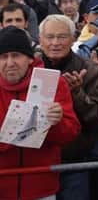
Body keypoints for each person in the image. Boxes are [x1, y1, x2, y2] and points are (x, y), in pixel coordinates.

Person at [0, 26, 81, 199]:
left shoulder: (52, 82)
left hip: (41, 188)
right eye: (3, 57)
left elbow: (71, 133)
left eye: (16, 55)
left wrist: (56, 122)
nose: (9, 63)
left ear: (30, 58)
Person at [39, 14, 98, 200]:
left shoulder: (90, 71)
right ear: (40, 40)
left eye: (62, 37)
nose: (55, 43)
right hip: (37, 160)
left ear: (73, 39)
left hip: (74, 162)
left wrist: (78, 94)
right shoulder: (30, 68)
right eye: (50, 37)